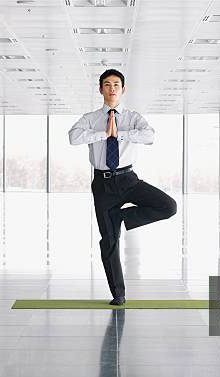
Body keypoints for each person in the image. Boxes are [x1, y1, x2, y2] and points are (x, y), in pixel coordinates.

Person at [68, 69, 177, 305]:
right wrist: (103, 134)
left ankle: (119, 216)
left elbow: (149, 136)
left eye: (116, 84)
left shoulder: (133, 117)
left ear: (123, 89)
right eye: (107, 85)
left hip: (128, 179)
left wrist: (120, 134)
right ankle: (118, 294)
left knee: (168, 207)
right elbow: (74, 137)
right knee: (109, 241)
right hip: (102, 183)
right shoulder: (90, 118)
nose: (112, 89)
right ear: (101, 89)